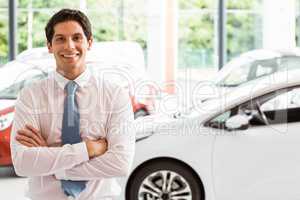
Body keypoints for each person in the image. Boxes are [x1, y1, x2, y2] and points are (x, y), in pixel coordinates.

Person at [10, 8, 135, 200]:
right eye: (60, 39)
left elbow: (120, 163)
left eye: (77, 38)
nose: (69, 46)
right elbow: (23, 163)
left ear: (89, 42)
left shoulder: (115, 95)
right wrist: (89, 149)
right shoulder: (30, 97)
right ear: (49, 46)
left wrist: (53, 163)